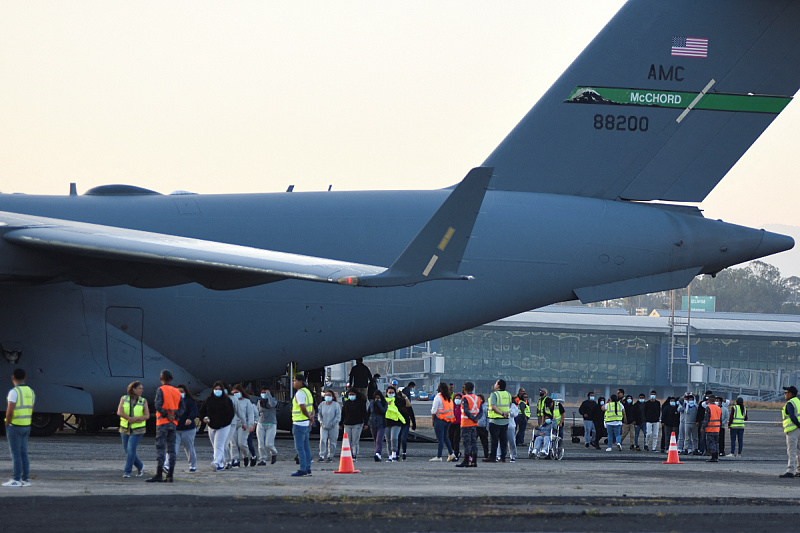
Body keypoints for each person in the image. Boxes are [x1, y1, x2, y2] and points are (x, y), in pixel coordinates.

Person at [146, 369, 184, 483]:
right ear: (171, 379)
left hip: (162, 423)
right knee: (171, 449)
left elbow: (158, 405)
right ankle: (170, 475)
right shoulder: (177, 391)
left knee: (160, 448)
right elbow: (182, 408)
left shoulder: (160, 390)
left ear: (161, 379)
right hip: (173, 424)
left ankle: (159, 474)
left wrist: (166, 414)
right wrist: (174, 415)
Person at [3, 368, 36, 488]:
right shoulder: (31, 391)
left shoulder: (14, 392)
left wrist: (7, 422)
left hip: (15, 426)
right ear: (25, 378)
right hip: (26, 426)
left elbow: (10, 409)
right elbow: (31, 409)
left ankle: (16, 479)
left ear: (13, 378)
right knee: (23, 453)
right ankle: (25, 480)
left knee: (15, 454)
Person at [199, 381, 235, 471]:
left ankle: (216, 461)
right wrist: (203, 418)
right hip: (211, 425)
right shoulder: (209, 400)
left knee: (219, 444)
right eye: (216, 389)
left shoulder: (227, 401)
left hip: (224, 426)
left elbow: (231, 414)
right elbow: (201, 411)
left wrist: (224, 423)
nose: (217, 391)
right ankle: (221, 463)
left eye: (219, 389)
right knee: (214, 444)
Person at [116, 380, 149, 479]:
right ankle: (140, 466)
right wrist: (128, 418)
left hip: (138, 429)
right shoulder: (124, 398)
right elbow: (119, 411)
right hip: (125, 428)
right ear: (133, 389)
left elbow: (147, 415)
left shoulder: (143, 401)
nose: (141, 390)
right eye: (140, 388)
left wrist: (135, 419)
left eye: (142, 389)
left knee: (131, 449)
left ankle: (127, 471)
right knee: (127, 450)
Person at [171, 384, 198, 473]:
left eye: (181, 391)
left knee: (189, 448)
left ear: (185, 392)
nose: (179, 393)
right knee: (173, 448)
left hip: (188, 429)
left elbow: (194, 411)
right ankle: (168, 465)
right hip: (176, 429)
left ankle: (192, 465)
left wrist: (190, 419)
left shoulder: (190, 401)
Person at [291, 374, 314, 476]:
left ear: (300, 382)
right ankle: (308, 468)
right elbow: (312, 407)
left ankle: (302, 468)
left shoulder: (300, 393)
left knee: (300, 448)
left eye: (294, 380)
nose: (293, 383)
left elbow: (302, 407)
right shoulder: (308, 392)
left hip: (299, 423)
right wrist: (311, 417)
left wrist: (309, 417)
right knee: (306, 447)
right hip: (306, 424)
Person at [485, 379, 512, 463]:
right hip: (505, 421)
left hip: (495, 420)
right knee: (503, 440)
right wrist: (504, 414)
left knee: (494, 440)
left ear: (498, 386)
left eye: (496, 383)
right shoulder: (508, 394)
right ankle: (503, 457)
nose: (494, 385)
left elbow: (493, 406)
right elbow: (509, 405)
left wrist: (501, 413)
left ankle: (492, 456)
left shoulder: (494, 394)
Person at [229, 384, 255, 468]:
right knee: (233, 443)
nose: (236, 394)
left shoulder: (247, 401)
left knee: (241, 443)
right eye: (234, 392)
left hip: (243, 425)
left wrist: (250, 425)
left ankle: (245, 455)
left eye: (237, 392)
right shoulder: (231, 400)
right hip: (233, 424)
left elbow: (250, 414)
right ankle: (235, 459)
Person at [456, 381, 481, 468]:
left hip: (466, 423)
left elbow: (466, 410)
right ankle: (474, 461)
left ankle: (466, 460)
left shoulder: (465, 398)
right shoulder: (477, 398)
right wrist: (476, 418)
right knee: (474, 442)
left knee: (466, 443)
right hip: (474, 424)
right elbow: (480, 411)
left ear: (465, 388)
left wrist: (472, 418)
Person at [430, 382, 456, 462]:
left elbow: (434, 410)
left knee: (440, 439)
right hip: (448, 420)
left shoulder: (438, 397)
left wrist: (433, 420)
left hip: (440, 419)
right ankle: (451, 453)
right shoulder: (449, 398)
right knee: (445, 437)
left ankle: (439, 456)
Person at [779, 385, 800, 478]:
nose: (785, 394)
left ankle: (790, 470)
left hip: (792, 429)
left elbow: (792, 416)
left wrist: (798, 425)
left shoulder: (790, 403)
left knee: (791, 451)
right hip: (798, 429)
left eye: (786, 393)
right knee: (799, 451)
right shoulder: (798, 402)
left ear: (791, 394)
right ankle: (799, 470)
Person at [342, 388, 368, 461]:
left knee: (355, 441)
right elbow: (343, 414)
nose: (351, 396)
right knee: (347, 441)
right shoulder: (346, 403)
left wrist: (366, 423)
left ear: (356, 395)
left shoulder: (361, 403)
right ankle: (348, 454)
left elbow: (364, 413)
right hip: (347, 424)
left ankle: (354, 454)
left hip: (357, 424)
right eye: (350, 394)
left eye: (352, 394)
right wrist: (341, 424)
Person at [317, 389, 342, 462]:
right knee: (323, 440)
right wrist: (321, 422)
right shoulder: (322, 404)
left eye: (329, 395)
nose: (328, 397)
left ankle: (330, 456)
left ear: (333, 397)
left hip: (333, 426)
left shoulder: (336, 405)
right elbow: (319, 415)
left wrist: (333, 423)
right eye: (326, 395)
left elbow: (338, 416)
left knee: (332, 442)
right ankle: (322, 455)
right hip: (323, 426)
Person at [256, 387, 278, 465]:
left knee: (269, 444)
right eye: (262, 393)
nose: (263, 394)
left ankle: (274, 452)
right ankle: (263, 459)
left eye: (265, 393)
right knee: (261, 444)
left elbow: (272, 404)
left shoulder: (273, 400)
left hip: (271, 424)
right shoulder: (259, 402)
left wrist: (269, 395)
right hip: (261, 424)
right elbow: (257, 412)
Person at [384, 386, 406, 462]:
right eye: (389, 392)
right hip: (387, 422)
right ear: (386, 393)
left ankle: (394, 454)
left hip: (397, 422)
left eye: (392, 392)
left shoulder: (398, 400)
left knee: (394, 438)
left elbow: (407, 405)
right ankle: (389, 455)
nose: (391, 394)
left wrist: (405, 397)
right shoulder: (384, 401)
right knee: (388, 439)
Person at [397, 381, 416, 461]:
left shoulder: (407, 406)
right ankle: (397, 453)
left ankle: (403, 453)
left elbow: (411, 414)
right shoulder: (398, 405)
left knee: (403, 438)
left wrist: (413, 423)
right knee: (398, 438)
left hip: (405, 423)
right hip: (398, 423)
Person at [367, 389, 387, 462]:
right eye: (376, 398)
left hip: (381, 424)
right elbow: (368, 413)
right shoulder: (371, 403)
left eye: (378, 397)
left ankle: (378, 453)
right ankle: (378, 453)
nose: (377, 399)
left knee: (379, 440)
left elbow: (383, 411)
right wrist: (367, 423)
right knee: (376, 440)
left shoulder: (384, 403)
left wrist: (378, 403)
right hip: (373, 424)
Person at [702, 395, 721, 462]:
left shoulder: (708, 408)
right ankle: (716, 456)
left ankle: (713, 457)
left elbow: (706, 419)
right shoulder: (718, 408)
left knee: (711, 443)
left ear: (709, 400)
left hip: (710, 428)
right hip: (717, 428)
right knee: (716, 443)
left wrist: (703, 427)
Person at [449, 392, 463, 461]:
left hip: (458, 424)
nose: (457, 399)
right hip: (451, 424)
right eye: (456, 398)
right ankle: (455, 451)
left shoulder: (462, 406)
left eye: (459, 398)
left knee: (456, 440)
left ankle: (456, 454)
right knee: (449, 438)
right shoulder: (452, 406)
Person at [476, 393, 489, 459]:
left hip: (483, 426)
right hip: (475, 426)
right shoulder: (474, 406)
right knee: (472, 442)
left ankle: (486, 455)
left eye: (480, 398)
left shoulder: (485, 407)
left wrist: (487, 427)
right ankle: (471, 455)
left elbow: (487, 417)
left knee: (485, 442)